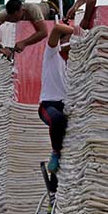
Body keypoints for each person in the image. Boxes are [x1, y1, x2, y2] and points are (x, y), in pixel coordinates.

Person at [40, 21, 75, 173]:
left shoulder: (75, 65)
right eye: (69, 39)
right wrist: (78, 33)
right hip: (49, 105)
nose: (72, 43)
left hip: (66, 107)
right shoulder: (52, 55)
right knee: (57, 119)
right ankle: (55, 152)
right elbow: (57, 28)